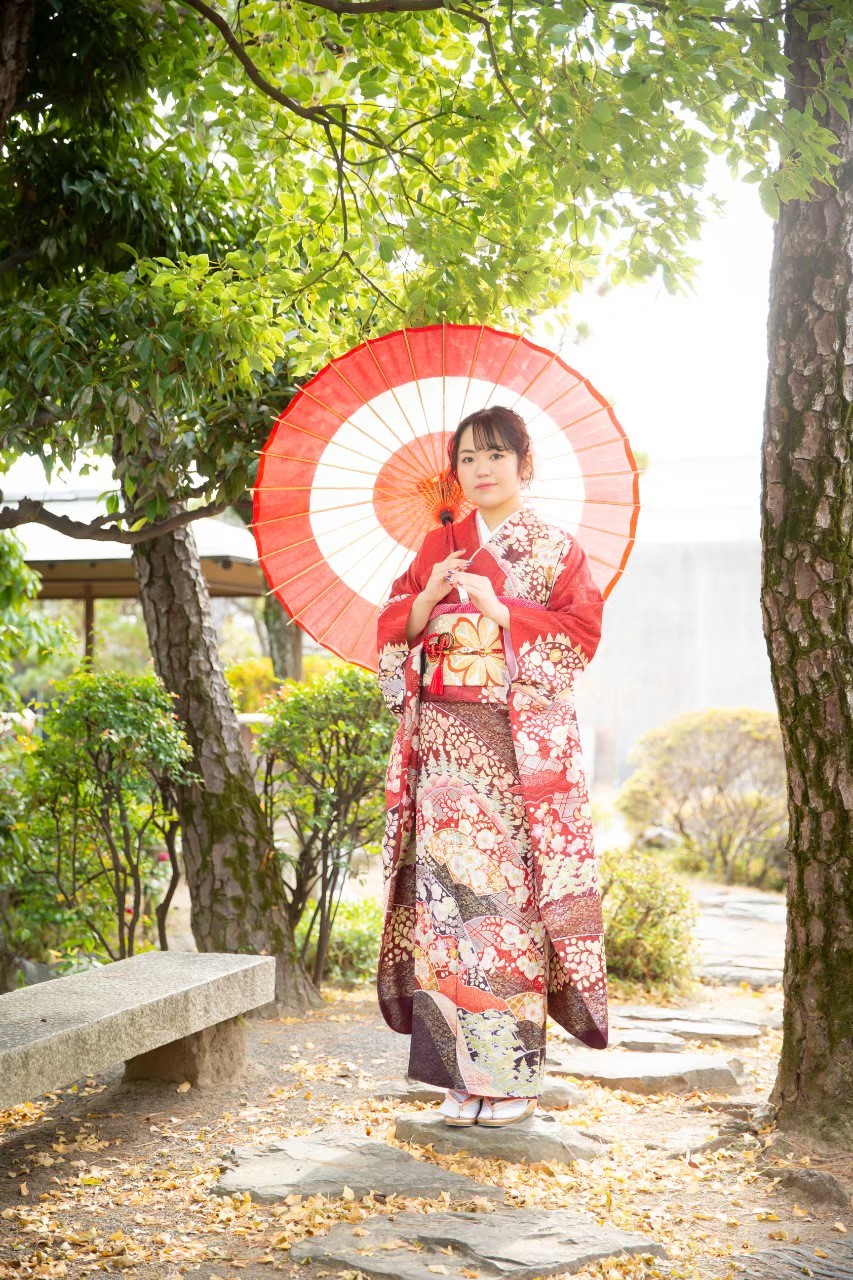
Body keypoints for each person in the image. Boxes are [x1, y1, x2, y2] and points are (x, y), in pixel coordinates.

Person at [375, 405, 609, 1128]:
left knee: (503, 911)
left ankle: (508, 1079)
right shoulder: (438, 544)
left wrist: (503, 610)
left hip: (511, 750)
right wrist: (427, 596)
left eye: (496, 455)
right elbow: (391, 629)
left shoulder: (554, 549)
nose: (481, 470)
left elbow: (580, 634)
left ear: (523, 464)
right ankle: (457, 1075)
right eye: (468, 459)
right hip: (442, 746)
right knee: (444, 908)